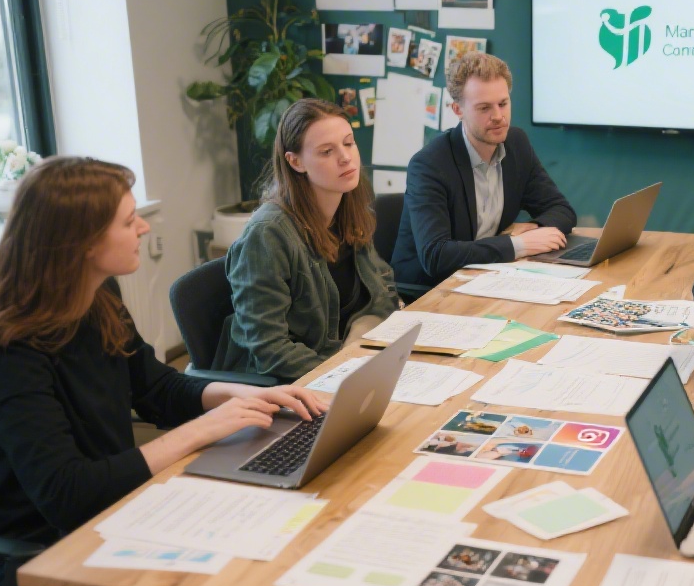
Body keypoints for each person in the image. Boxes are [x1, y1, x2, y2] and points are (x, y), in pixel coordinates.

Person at [0, 157, 327, 586]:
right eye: (128, 222)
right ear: (80, 244)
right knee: (250, 574)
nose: (143, 227)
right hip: (48, 567)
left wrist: (245, 394)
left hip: (122, 517)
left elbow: (156, 388)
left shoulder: (94, 299)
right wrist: (201, 430)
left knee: (286, 529)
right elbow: (69, 494)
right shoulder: (7, 354)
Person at [214, 98, 399, 381]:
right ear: (295, 161)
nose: (345, 158)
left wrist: (358, 340)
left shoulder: (349, 209)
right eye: (327, 151)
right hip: (286, 386)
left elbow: (382, 290)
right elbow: (270, 350)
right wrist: (342, 371)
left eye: (348, 143)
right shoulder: (267, 235)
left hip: (346, 366)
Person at [391, 52, 576, 293]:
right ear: (458, 109)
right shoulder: (429, 165)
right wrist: (517, 245)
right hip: (430, 292)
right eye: (484, 108)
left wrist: (531, 227)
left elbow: (562, 210)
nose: (498, 117)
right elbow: (436, 256)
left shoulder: (516, 144)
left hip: (487, 277)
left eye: (503, 103)